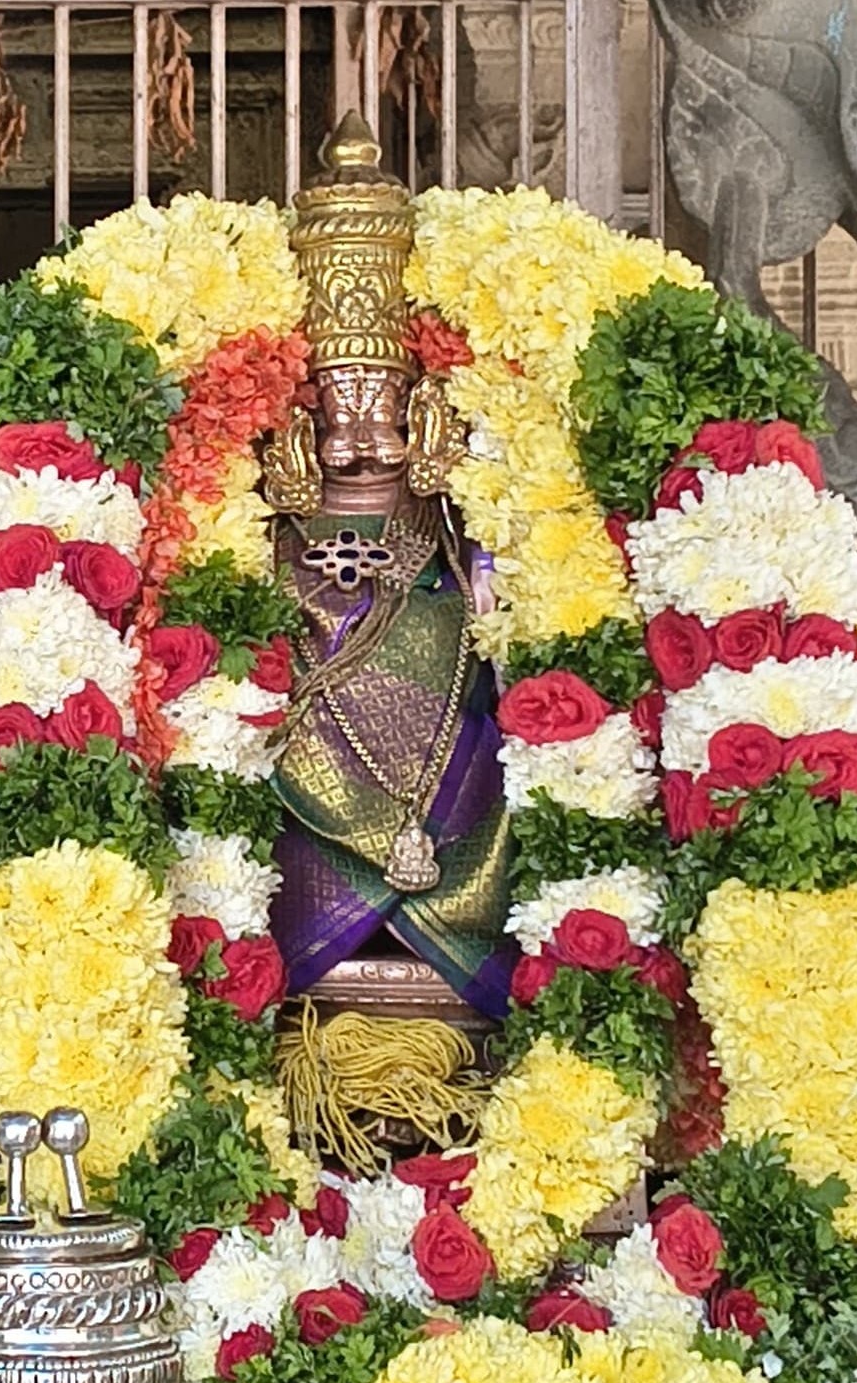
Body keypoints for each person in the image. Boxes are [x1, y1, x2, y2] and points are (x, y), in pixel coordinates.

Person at [266, 115, 514, 1028]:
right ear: (301, 427)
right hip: (323, 864)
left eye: (387, 414)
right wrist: (375, 830)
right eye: (340, 415)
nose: (364, 443)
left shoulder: (465, 551)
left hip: (460, 859)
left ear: (427, 422)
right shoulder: (268, 557)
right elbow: (269, 720)